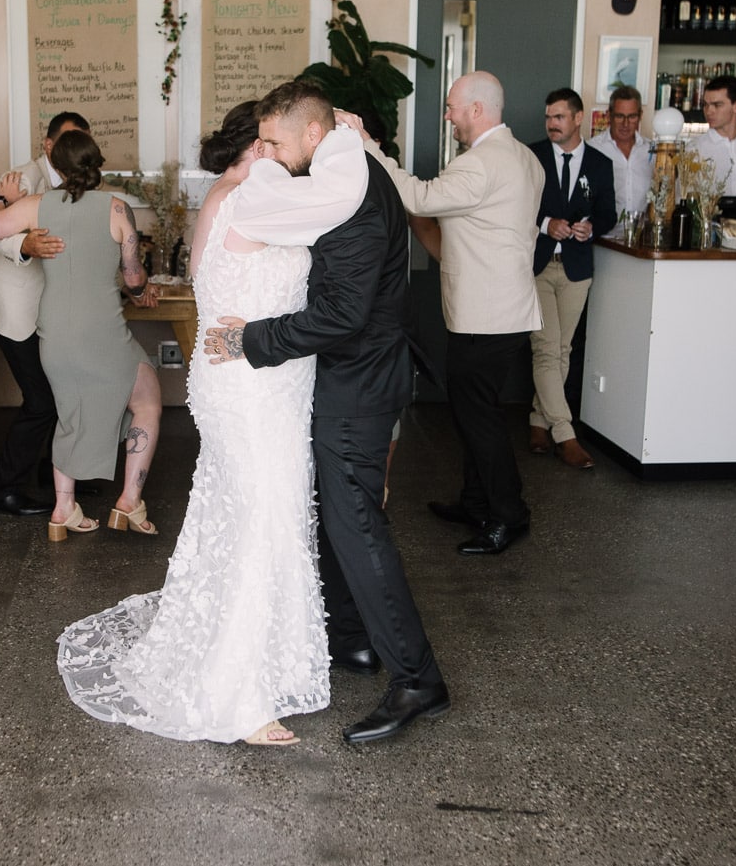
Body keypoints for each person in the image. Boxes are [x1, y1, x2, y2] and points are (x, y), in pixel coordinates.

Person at [58, 100, 365, 745]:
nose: (288, 156)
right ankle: (239, 696)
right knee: (263, 520)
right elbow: (340, 202)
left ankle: (262, 659)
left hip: (248, 378)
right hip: (253, 387)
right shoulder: (256, 193)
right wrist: (343, 143)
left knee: (244, 514)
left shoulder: (226, 194)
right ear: (257, 146)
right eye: (279, 145)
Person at [206, 81, 448, 745]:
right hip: (351, 380)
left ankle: (416, 677)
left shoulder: (349, 196)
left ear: (312, 135)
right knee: (340, 521)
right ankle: (356, 638)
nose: (268, 154)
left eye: (276, 142)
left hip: (359, 388)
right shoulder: (340, 175)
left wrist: (248, 339)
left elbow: (340, 315)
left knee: (356, 527)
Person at [348, 71, 542, 557]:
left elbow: (417, 197)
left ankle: (507, 515)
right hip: (507, 312)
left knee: (481, 421)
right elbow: (475, 237)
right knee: (479, 415)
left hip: (486, 318)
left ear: (477, 109)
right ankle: (476, 500)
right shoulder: (525, 159)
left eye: (453, 106)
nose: (448, 115)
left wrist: (369, 145)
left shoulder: (481, 164)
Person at [0, 130, 160, 542]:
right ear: (97, 165)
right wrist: (144, 290)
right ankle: (128, 501)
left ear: (56, 166)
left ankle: (63, 508)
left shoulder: (37, 206)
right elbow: (132, 276)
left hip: (54, 332)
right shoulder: (116, 209)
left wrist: (2, 200)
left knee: (69, 412)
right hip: (103, 332)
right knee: (146, 399)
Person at [0, 114, 83, 515]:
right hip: (14, 307)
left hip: (47, 310)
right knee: (42, 399)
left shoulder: (77, 180)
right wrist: (25, 245)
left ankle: (52, 476)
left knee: (54, 395)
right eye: (65, 142)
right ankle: (4, 488)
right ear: (48, 145)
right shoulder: (20, 180)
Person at [527, 88, 616, 469]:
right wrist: (548, 224)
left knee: (562, 350)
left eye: (559, 117)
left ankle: (536, 419)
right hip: (538, 267)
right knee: (547, 349)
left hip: (577, 268)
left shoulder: (599, 164)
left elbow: (609, 214)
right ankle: (565, 433)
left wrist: (589, 228)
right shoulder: (532, 157)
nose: (551, 124)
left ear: (578, 118)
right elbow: (516, 206)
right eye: (548, 117)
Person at [586, 85, 652, 223]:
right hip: (602, 238)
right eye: (620, 116)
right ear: (609, 115)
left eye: (632, 116)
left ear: (640, 116)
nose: (625, 123)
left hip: (639, 239)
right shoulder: (592, 149)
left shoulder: (653, 151)